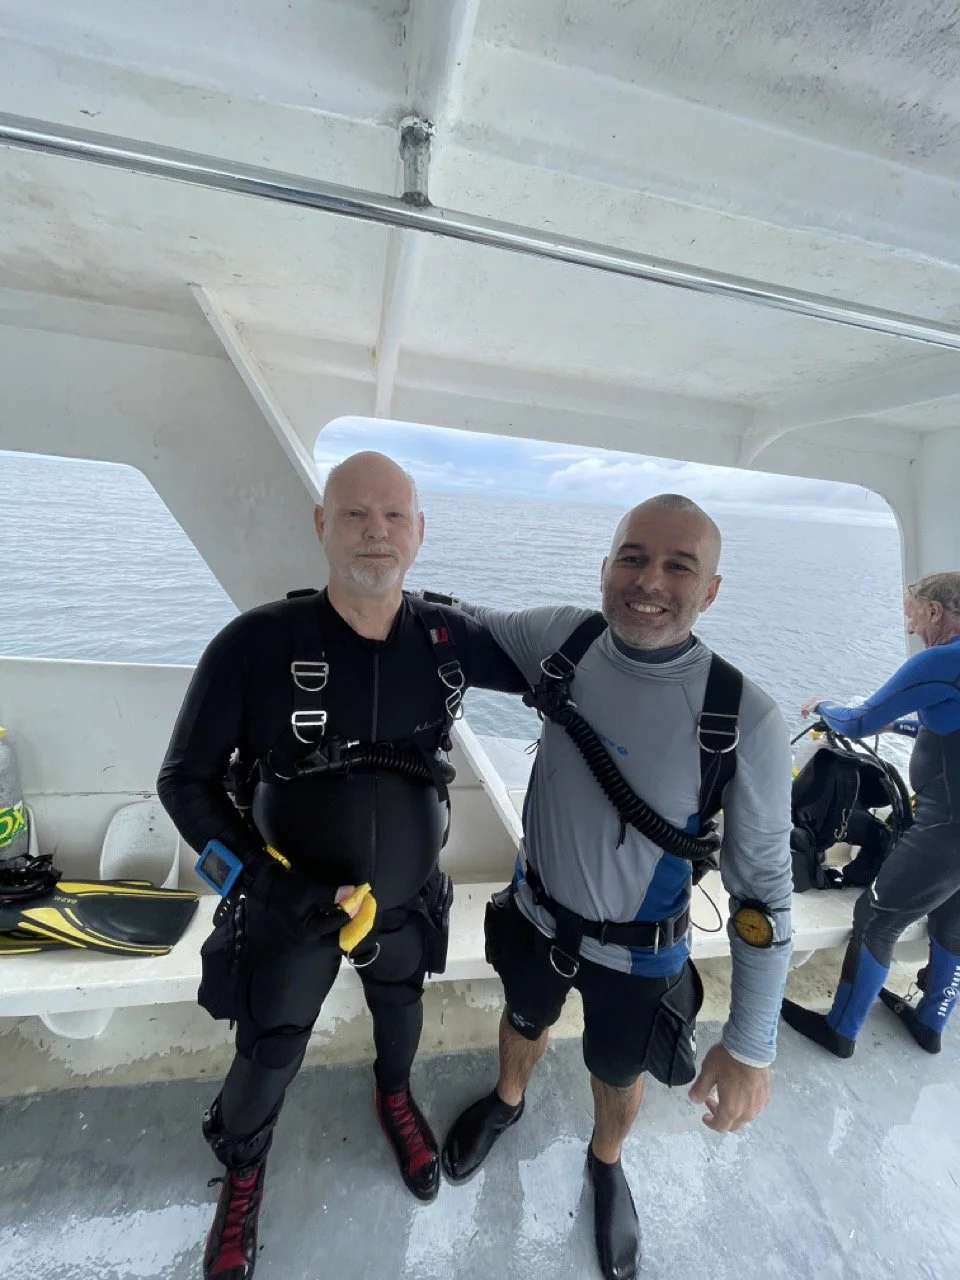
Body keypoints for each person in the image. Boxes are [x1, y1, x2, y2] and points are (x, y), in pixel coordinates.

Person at [157, 451, 526, 1280]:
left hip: (405, 899)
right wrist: (263, 884)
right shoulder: (255, 644)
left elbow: (561, 662)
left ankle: (394, 1096)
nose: (375, 533)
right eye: (355, 514)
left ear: (420, 532)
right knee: (269, 1050)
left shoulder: (449, 639)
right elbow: (183, 783)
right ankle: (243, 1171)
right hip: (290, 903)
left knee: (401, 1012)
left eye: (393, 516)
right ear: (323, 526)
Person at [435, 495, 794, 1280]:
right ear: (605, 568)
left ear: (711, 590)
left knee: (615, 1069)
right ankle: (508, 1100)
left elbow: (764, 897)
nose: (649, 582)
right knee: (522, 1018)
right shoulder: (562, 638)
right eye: (632, 558)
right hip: (535, 917)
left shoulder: (745, 718)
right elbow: (466, 623)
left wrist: (750, 1046)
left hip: (639, 957)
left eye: (678, 567)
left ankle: (605, 1160)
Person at [781, 571, 960, 1060]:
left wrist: (825, 706)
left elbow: (859, 721)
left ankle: (840, 1030)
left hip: (947, 829)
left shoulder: (942, 659)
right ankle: (931, 1021)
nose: (910, 628)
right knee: (951, 919)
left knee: (878, 917)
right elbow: (943, 721)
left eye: (912, 616)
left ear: (934, 612)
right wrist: (901, 725)